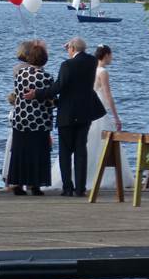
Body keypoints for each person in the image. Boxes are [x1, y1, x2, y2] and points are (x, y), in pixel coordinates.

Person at [25, 36, 106, 196]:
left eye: (68, 48)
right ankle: (81, 188)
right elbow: (84, 54)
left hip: (67, 113)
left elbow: (58, 87)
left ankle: (68, 187)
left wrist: (37, 93)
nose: (67, 51)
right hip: (85, 112)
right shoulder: (91, 62)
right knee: (81, 151)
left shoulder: (67, 65)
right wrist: (73, 45)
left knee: (65, 152)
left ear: (73, 49)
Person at [8, 43, 55, 196]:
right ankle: (35, 184)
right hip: (40, 120)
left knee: (20, 152)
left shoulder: (21, 74)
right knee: (38, 153)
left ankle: (17, 183)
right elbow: (51, 100)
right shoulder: (46, 77)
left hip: (21, 117)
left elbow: (17, 93)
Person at [85, 44, 133, 189]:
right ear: (106, 55)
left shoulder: (91, 69)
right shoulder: (103, 72)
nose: (112, 58)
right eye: (111, 55)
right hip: (101, 112)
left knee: (90, 144)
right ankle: (104, 177)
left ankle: (88, 174)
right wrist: (116, 117)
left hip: (90, 111)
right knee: (105, 145)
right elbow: (108, 95)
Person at [2, 41, 34, 187]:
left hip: (18, 110)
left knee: (15, 145)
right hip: (29, 111)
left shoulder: (17, 68)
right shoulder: (30, 70)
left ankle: (11, 178)